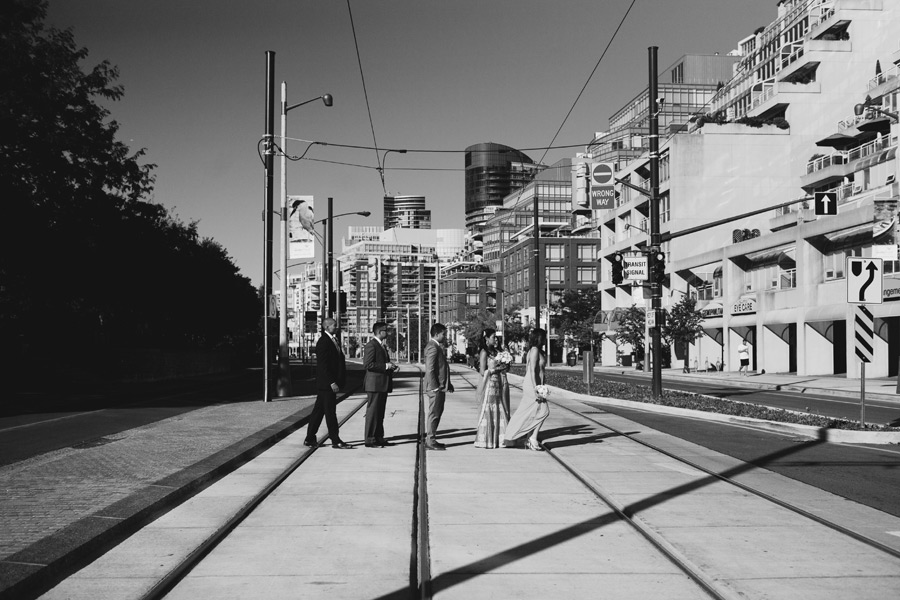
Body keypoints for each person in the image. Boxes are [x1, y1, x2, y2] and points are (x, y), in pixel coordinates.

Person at [305, 318, 352, 449]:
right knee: (330, 412)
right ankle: (335, 440)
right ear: (326, 327)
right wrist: (332, 382)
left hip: (327, 384)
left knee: (318, 412)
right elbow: (323, 366)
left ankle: (310, 438)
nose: (336, 327)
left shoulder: (334, 340)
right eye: (333, 325)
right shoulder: (324, 342)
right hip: (327, 385)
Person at [504, 328, 549, 451]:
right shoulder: (534, 350)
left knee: (530, 411)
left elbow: (540, 372)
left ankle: (526, 436)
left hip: (536, 384)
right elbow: (531, 369)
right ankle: (532, 438)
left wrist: (542, 384)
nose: (545, 339)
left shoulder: (537, 351)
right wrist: (536, 387)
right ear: (538, 338)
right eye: (544, 337)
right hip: (532, 385)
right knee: (544, 411)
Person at [363, 321, 399, 447]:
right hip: (375, 384)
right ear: (379, 332)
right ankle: (370, 439)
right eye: (385, 330)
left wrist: (391, 366)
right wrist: (386, 365)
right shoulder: (371, 345)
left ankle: (379, 436)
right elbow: (368, 364)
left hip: (382, 384)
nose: (387, 333)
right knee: (373, 413)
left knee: (380, 412)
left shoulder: (381, 346)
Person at [474, 328, 511, 449]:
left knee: (500, 407)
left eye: (496, 337)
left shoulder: (497, 351)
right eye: (493, 337)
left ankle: (499, 438)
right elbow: (482, 370)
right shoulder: (484, 352)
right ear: (486, 338)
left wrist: (505, 364)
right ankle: (487, 439)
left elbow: (504, 365)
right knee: (488, 408)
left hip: (498, 383)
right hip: (489, 384)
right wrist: (495, 369)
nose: (495, 339)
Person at [423, 323, 454, 450]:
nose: (445, 336)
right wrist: (435, 387)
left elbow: (441, 368)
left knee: (437, 412)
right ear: (436, 334)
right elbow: (430, 369)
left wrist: (448, 383)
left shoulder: (436, 346)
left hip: (440, 386)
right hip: (435, 388)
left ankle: (432, 438)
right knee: (434, 414)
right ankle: (430, 441)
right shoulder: (433, 347)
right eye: (443, 334)